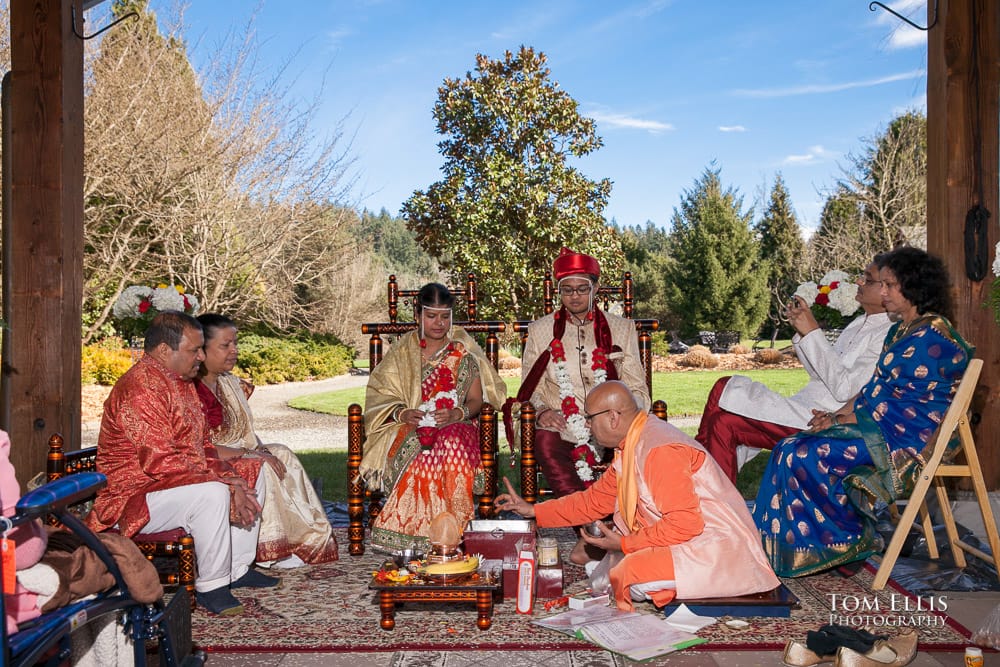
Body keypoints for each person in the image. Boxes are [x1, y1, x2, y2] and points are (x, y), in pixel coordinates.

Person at [753, 247, 973, 577]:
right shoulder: (902, 331)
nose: (882, 292)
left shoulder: (932, 337)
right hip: (879, 429)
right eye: (880, 284)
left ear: (913, 287)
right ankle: (800, 548)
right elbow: (872, 392)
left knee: (800, 452)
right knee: (790, 447)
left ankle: (846, 543)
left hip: (903, 444)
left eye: (889, 285)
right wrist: (835, 416)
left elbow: (899, 410)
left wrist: (842, 419)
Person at [495, 381, 779, 611]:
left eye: (589, 419)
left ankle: (679, 586)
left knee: (627, 574)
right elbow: (592, 502)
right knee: (603, 568)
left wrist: (626, 544)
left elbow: (685, 524)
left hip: (714, 547)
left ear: (614, 417)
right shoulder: (632, 443)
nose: (586, 427)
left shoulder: (658, 450)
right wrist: (534, 510)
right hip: (682, 539)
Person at [89, 311, 280, 616]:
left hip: (172, 483)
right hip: (134, 496)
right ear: (165, 350)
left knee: (253, 468)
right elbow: (160, 462)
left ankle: (237, 568)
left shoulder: (182, 383)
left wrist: (232, 478)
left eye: (202, 349)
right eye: (195, 350)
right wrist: (222, 484)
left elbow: (203, 447)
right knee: (212, 494)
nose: (202, 357)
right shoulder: (140, 388)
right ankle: (213, 586)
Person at [697, 257, 893, 483]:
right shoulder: (859, 322)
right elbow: (819, 375)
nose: (859, 281)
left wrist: (812, 333)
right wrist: (803, 333)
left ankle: (696, 472)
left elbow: (844, 391)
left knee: (725, 387)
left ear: (889, 289)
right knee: (722, 423)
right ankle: (715, 504)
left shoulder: (888, 334)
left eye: (868, 280)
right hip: (802, 406)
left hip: (823, 418)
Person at [359, 283, 507, 554]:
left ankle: (454, 534)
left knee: (449, 445)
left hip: (456, 424)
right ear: (418, 316)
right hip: (410, 426)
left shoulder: (462, 354)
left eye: (445, 316)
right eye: (431, 316)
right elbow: (379, 395)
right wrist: (403, 412)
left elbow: (476, 401)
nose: (439, 323)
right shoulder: (403, 354)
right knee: (426, 450)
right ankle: (416, 540)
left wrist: (456, 413)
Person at [194, 313, 339, 568]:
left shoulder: (229, 383)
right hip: (211, 461)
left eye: (235, 343)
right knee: (261, 463)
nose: (234, 351)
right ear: (202, 351)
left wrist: (260, 448)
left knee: (281, 453)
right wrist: (254, 455)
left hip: (238, 451)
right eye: (225, 345)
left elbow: (245, 431)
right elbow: (198, 446)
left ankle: (296, 540)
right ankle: (267, 550)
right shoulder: (191, 392)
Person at [512, 248, 650, 498]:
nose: (574, 296)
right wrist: (543, 412)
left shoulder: (622, 329)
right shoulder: (540, 331)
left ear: (595, 289)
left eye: (582, 289)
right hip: (562, 423)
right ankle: (587, 522)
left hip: (612, 423)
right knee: (543, 441)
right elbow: (530, 389)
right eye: (567, 290)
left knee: (640, 441)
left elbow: (637, 388)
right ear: (559, 291)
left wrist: (615, 416)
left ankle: (607, 521)